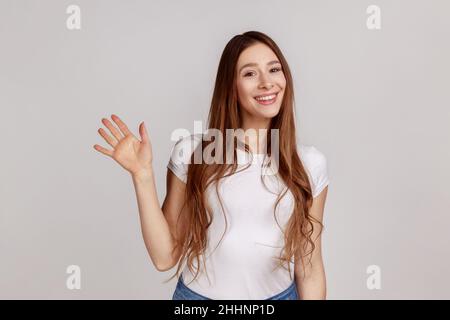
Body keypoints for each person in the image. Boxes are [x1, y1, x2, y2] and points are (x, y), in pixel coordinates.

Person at [93, 31, 330, 300]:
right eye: (250, 74)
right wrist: (142, 175)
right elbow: (164, 257)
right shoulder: (193, 153)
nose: (267, 83)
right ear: (231, 87)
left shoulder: (310, 164)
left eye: (274, 69)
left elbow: (309, 267)